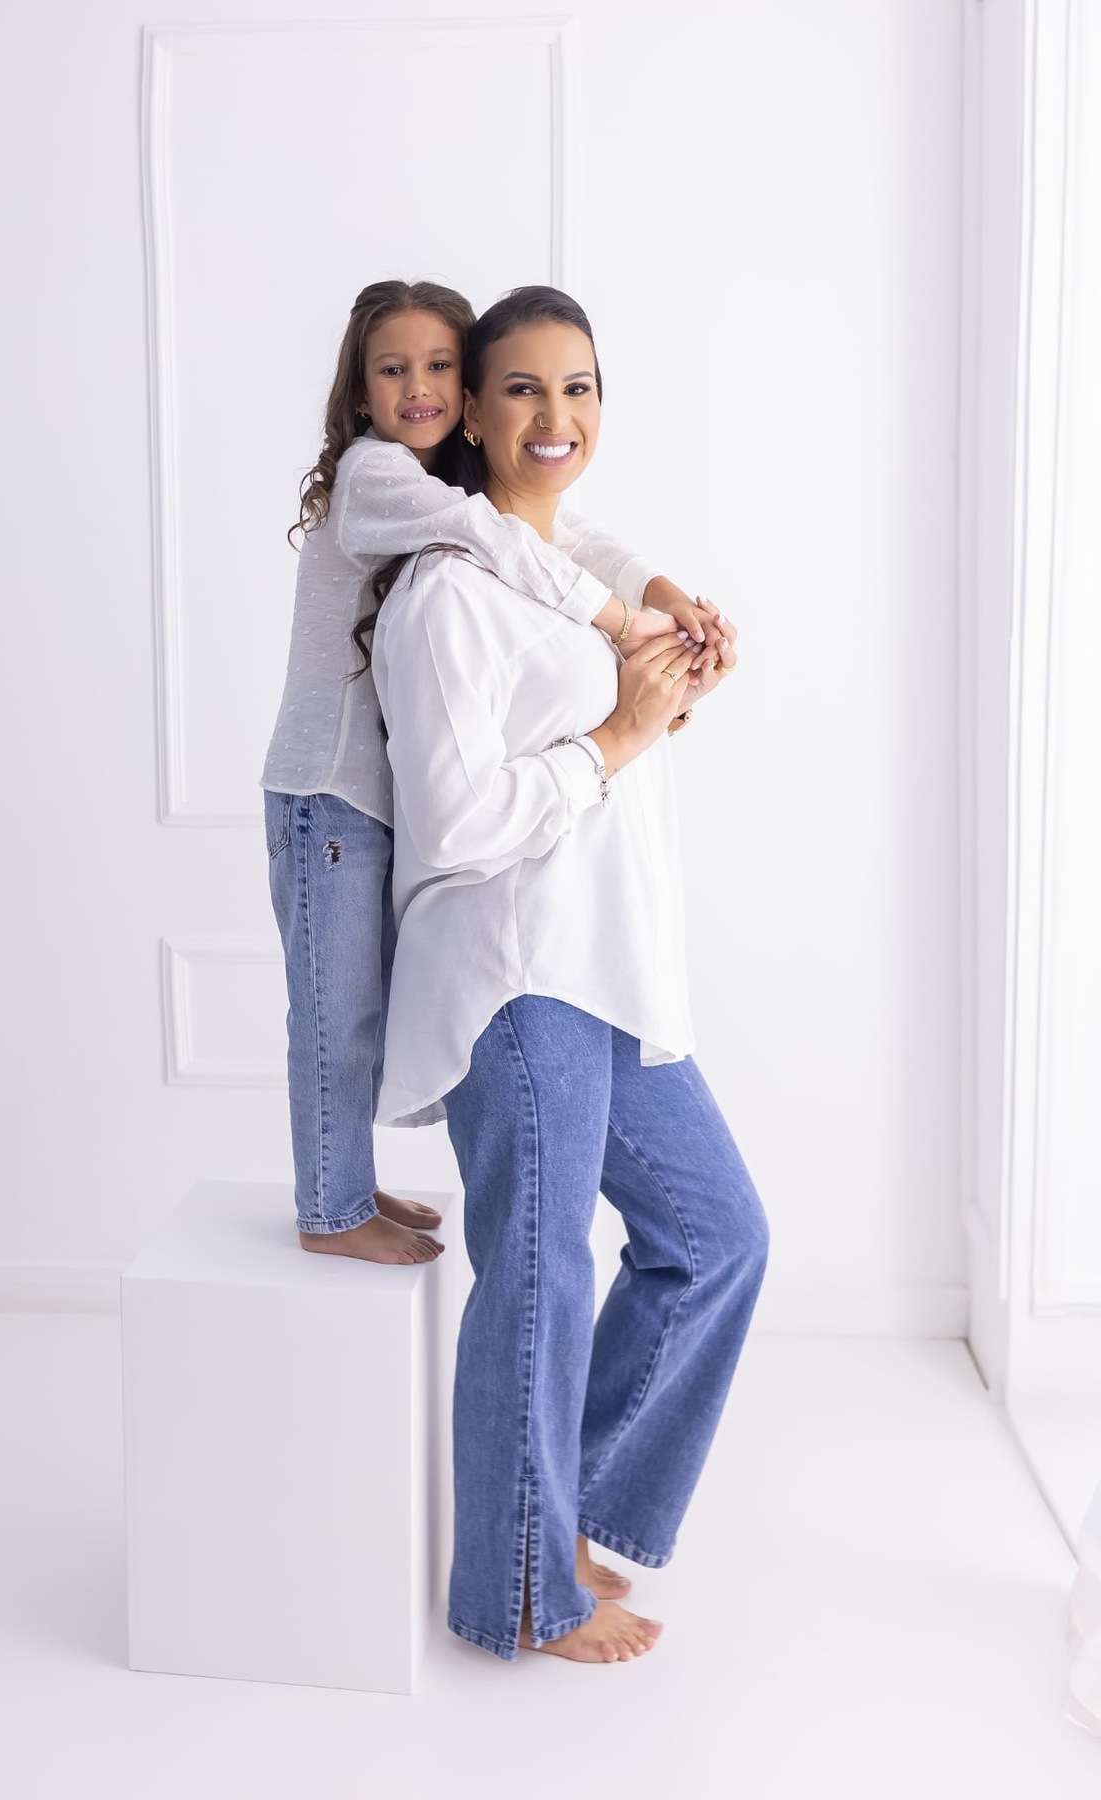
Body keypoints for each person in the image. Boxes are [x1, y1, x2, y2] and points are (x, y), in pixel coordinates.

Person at [369, 286, 769, 1665]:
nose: (557, 418)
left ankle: (570, 1514)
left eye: (581, 388)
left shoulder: (584, 590)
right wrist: (620, 736)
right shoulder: (443, 595)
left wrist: (666, 668)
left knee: (719, 1237)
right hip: (513, 977)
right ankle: (520, 1590)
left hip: (613, 973)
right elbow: (458, 825)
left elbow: (615, 681)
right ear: (469, 412)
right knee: (539, 1277)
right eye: (524, 390)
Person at [261, 279, 732, 1268]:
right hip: (328, 793)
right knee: (335, 1008)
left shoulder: (455, 496)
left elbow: (576, 536)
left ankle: (340, 1182)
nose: (421, 386)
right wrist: (618, 623)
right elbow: (500, 536)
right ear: (358, 393)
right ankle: (330, 1206)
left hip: (391, 806)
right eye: (395, 369)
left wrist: (666, 600)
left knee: (360, 1005)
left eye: (440, 364)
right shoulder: (381, 480)